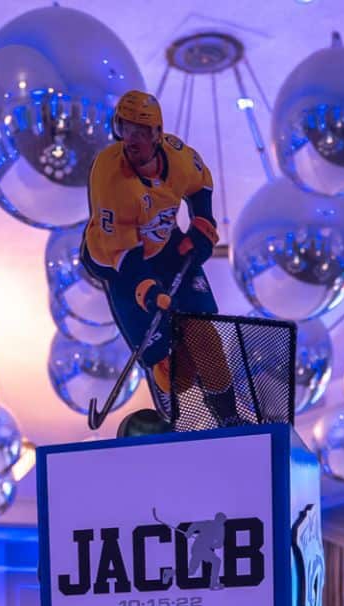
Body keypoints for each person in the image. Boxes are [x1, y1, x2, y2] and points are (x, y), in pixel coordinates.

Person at [80, 90, 238, 423]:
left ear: (158, 133)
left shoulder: (179, 157)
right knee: (169, 367)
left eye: (141, 131)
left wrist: (202, 223)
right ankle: (169, 397)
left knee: (203, 333)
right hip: (120, 263)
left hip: (165, 246)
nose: (132, 140)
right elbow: (121, 249)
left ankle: (229, 418)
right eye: (125, 129)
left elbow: (200, 184)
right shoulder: (110, 177)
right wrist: (148, 290)